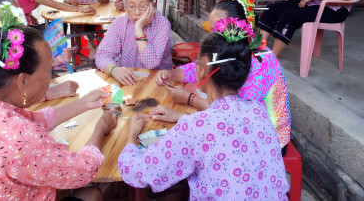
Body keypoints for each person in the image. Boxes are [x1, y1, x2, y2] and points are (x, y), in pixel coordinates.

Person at [118, 19, 289, 199]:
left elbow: (139, 173)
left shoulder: (195, 127)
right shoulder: (258, 112)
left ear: (200, 73)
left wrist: (131, 136)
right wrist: (182, 117)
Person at [0, 25, 117, 200]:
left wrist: (84, 103)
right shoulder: (22, 137)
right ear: (23, 81)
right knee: (93, 193)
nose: (50, 76)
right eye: (47, 70)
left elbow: (34, 119)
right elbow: (82, 170)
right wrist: (101, 128)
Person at [155, 0, 291, 151]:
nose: (214, 36)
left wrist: (189, 100)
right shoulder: (229, 50)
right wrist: (171, 73)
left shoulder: (261, 62)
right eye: (212, 30)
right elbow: (199, 68)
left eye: (218, 29)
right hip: (238, 127)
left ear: (237, 27)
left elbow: (232, 116)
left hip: (268, 139)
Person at [0, 0, 77, 101]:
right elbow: (5, 97)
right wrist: (52, 92)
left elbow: (21, 67)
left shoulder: (11, 44)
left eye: (19, 18)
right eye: (10, 21)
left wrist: (53, 61)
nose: (19, 27)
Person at [95, 0, 172, 86]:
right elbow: (101, 55)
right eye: (131, 6)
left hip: (157, 83)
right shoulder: (119, 24)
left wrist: (138, 28)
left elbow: (150, 63)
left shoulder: (162, 24)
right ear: (125, 7)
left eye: (143, 6)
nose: (137, 12)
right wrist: (114, 69)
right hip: (128, 82)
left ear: (152, 4)